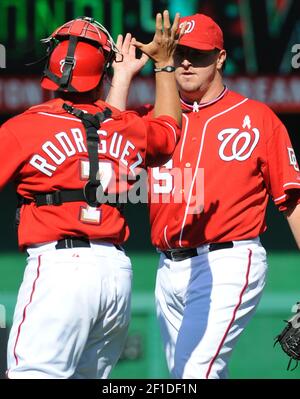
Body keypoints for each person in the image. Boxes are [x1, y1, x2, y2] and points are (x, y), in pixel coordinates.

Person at [107, 13, 300, 379]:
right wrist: (121, 78)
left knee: (195, 373)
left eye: (197, 54)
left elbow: (292, 203)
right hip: (168, 268)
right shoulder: (156, 120)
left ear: (221, 58)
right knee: (193, 375)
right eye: (178, 52)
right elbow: (107, 152)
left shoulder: (256, 119)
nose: (185, 62)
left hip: (228, 260)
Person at [0, 11, 184, 379]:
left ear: (52, 71)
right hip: (114, 275)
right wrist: (163, 65)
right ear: (102, 75)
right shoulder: (126, 126)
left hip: (60, 269)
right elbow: (168, 129)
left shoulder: (25, 127)